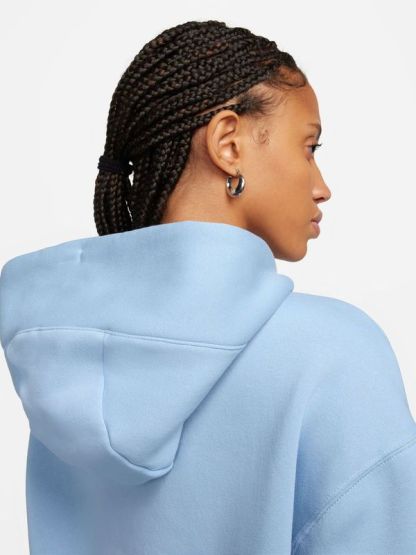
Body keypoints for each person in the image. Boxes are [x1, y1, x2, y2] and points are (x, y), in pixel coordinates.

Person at [0, 19, 415, 555]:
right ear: (228, 144)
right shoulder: (335, 352)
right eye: (309, 147)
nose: (322, 186)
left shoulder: (63, 371)